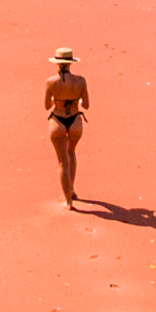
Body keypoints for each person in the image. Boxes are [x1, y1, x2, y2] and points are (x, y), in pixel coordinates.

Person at [44, 47, 91, 207]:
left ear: (57, 64)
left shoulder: (50, 82)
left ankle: (68, 201)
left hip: (58, 120)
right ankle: (70, 190)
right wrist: (74, 100)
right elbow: (86, 105)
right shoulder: (81, 81)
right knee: (71, 152)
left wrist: (58, 101)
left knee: (62, 161)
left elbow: (46, 105)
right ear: (71, 63)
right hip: (75, 122)